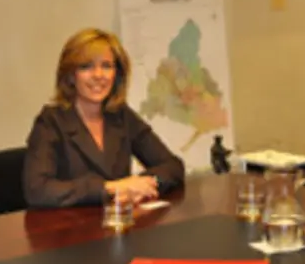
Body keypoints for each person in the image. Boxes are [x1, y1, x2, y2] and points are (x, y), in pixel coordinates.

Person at [23, 27, 185, 207]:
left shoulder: (121, 115)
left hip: (119, 225)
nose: (98, 75)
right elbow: (38, 190)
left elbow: (173, 166)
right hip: (71, 231)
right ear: (70, 75)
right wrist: (110, 188)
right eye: (86, 67)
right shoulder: (51, 121)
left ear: (116, 75)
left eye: (106, 66)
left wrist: (140, 186)